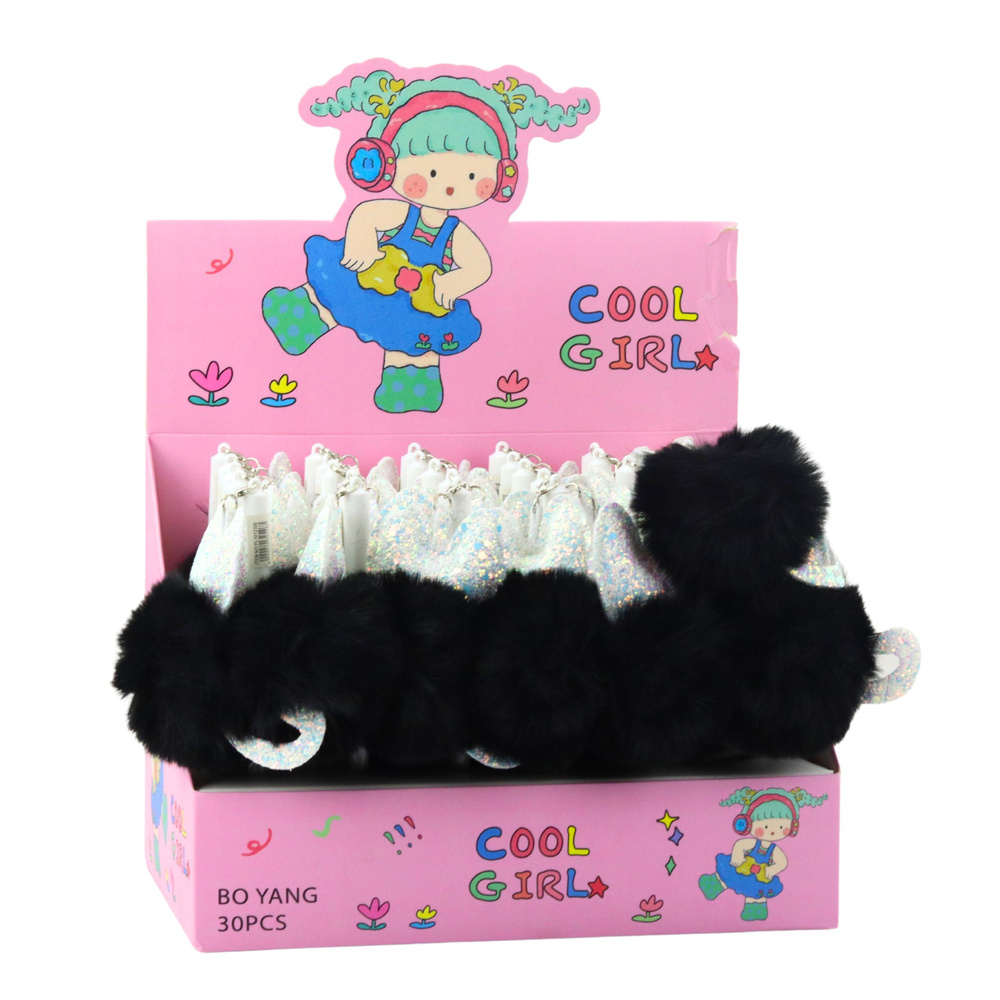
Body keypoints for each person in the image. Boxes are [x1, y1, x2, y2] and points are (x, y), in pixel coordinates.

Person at [263, 70, 590, 412]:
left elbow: (479, 266)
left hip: (423, 298)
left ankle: (408, 391)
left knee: (414, 340)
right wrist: (361, 244)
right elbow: (366, 215)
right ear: (387, 165)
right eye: (431, 172)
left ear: (500, 177)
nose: (448, 185)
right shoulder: (402, 214)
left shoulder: (455, 234)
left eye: (472, 175)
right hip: (373, 274)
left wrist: (454, 282)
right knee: (337, 291)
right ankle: (296, 320)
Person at [698, 786, 826, 921]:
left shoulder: (774, 850)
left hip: (761, 874)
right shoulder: (754, 843)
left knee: (756, 892)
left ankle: (754, 911)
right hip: (743, 866)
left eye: (781, 827)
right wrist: (737, 856)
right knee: (728, 876)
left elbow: (782, 862)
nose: (772, 831)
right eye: (765, 826)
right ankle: (712, 886)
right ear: (748, 824)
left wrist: (772, 869)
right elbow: (740, 845)